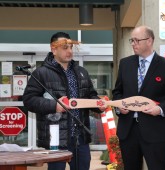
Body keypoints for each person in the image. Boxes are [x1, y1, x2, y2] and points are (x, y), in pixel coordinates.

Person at [22, 32, 105, 170]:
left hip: (80, 137)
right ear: (53, 49)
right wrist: (54, 105)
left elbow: (91, 96)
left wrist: (99, 105)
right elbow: (29, 100)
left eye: (71, 47)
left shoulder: (81, 72)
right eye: (65, 48)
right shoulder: (41, 73)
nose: (70, 51)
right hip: (56, 138)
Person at [112, 25, 165, 170]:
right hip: (128, 131)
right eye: (131, 40)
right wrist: (119, 107)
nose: (133, 44)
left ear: (149, 41)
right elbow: (117, 92)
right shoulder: (125, 64)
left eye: (136, 40)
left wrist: (161, 108)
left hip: (155, 131)